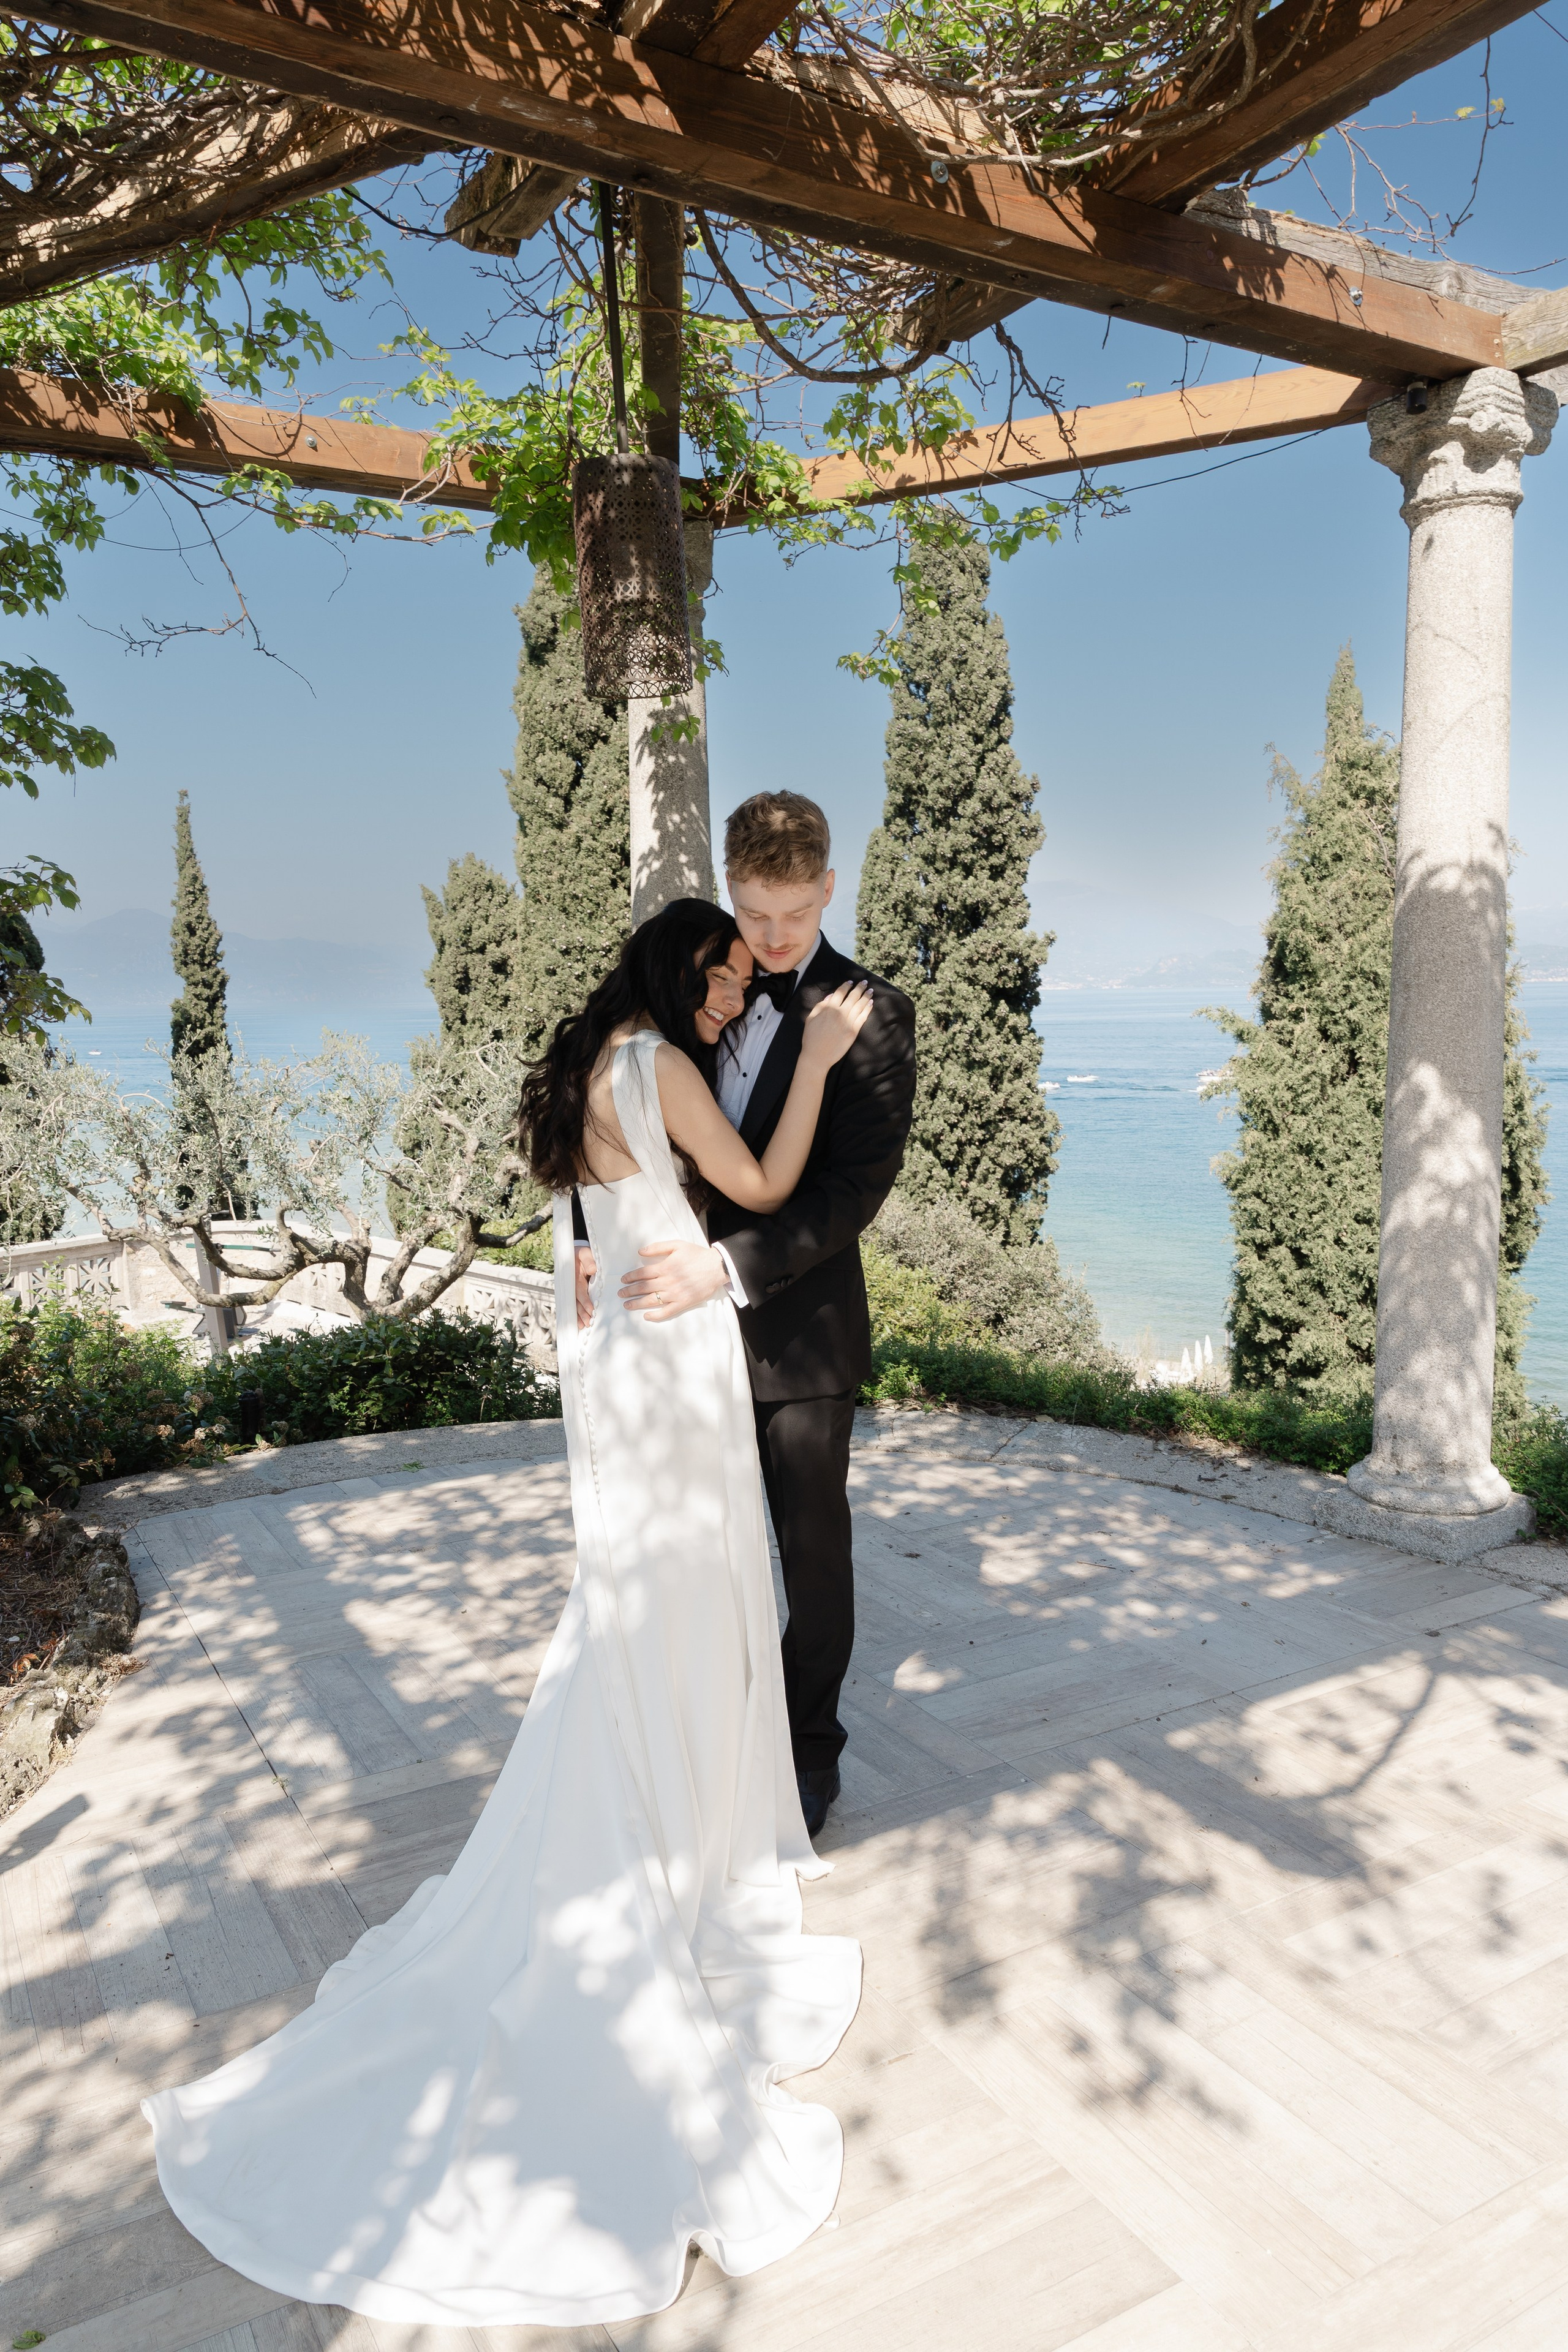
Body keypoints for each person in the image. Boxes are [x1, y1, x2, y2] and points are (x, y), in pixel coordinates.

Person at [142, 899, 873, 2332]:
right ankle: (661, 1838)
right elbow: (770, 1185)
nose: (732, 1003)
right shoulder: (655, 1063)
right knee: (675, 1608)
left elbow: (590, 1248)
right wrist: (824, 1061)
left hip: (635, 1359)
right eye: (724, 980)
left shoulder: (588, 1071)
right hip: (673, 1369)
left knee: (644, 1617)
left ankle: (667, 1819)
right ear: (680, 969)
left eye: (742, 989)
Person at [584, 797, 918, 1837]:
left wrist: (725, 1270)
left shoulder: (874, 1013)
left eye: (791, 914)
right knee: (694, 1551)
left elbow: (851, 1192)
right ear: (733, 889)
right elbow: (625, 1114)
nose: (770, 939)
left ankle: (807, 1757)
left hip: (798, 1339)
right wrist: (598, 1232)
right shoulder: (703, 987)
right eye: (753, 912)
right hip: (671, 1344)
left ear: (829, 886)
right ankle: (706, 1741)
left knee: (810, 1556)